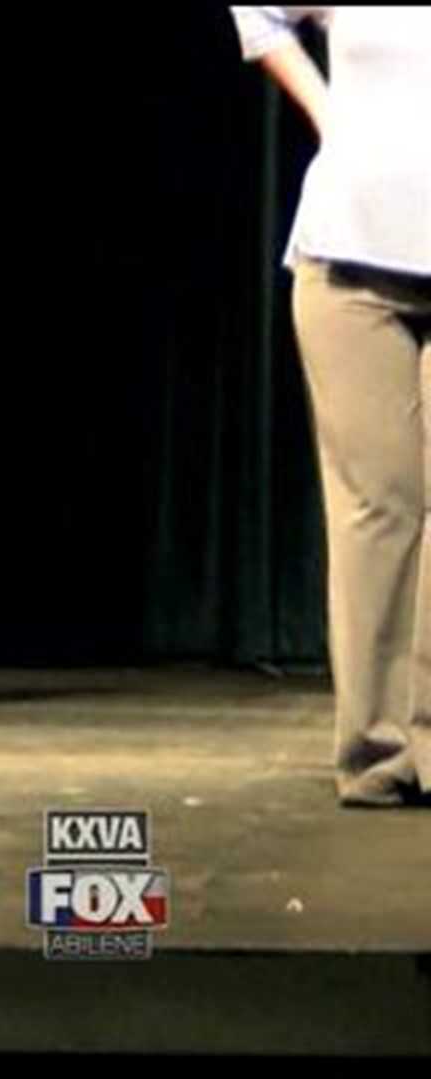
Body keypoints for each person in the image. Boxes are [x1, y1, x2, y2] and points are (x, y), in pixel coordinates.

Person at [231, 8, 431, 807]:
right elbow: (258, 12)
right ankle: (377, 752)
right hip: (350, 264)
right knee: (377, 506)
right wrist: (325, 111)